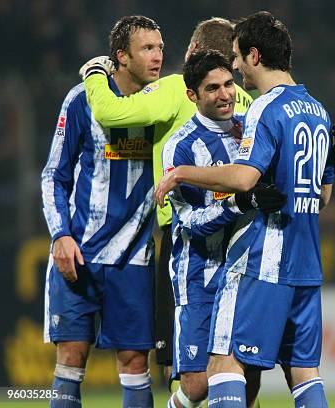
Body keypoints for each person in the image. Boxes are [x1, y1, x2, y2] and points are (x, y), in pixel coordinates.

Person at [155, 11, 335, 408]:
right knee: (303, 372)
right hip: (307, 260)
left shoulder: (265, 109)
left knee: (225, 364)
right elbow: (323, 196)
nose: (234, 69)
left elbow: (247, 179)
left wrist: (181, 173)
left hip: (264, 258)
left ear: (253, 56)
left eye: (235, 59)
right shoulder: (316, 109)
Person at [80, 18, 253, 389]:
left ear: (193, 52)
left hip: (186, 237)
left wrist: (94, 73)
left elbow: (111, 113)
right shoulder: (249, 103)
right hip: (242, 237)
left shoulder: (177, 88)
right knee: (239, 363)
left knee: (180, 367)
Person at [41, 15, 164, 408]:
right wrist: (60, 235)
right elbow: (53, 175)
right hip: (80, 253)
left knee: (134, 362)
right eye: (147, 48)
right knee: (70, 361)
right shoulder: (82, 99)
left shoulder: (164, 103)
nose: (158, 56)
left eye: (160, 47)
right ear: (121, 57)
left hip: (133, 258)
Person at [163, 50, 287, 408]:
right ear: (193, 96)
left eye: (229, 84)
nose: (226, 94)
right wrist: (238, 202)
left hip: (248, 272)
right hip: (200, 275)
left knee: (246, 378)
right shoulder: (181, 148)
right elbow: (188, 222)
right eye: (213, 88)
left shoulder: (251, 128)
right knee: (199, 384)